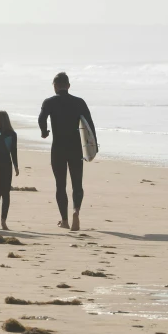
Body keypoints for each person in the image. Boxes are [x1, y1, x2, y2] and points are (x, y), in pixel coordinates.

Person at [38, 72, 97, 232]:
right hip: (75, 147)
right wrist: (94, 146)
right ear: (68, 86)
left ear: (55, 86)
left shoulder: (49, 102)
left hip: (58, 147)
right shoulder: (79, 102)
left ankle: (64, 220)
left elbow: (41, 118)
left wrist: (44, 132)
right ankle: (76, 211)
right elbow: (89, 124)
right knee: (77, 183)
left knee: (60, 185)